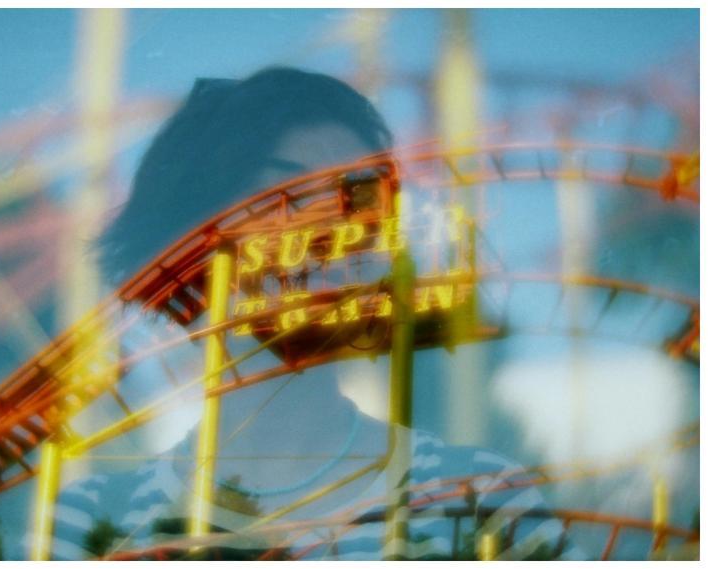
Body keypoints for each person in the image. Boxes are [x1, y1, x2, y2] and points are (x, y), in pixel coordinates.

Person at [32, 67, 579, 561]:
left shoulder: (482, 502)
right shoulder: (91, 526)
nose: (330, 234)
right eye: (284, 196)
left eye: (358, 202)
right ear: (185, 249)